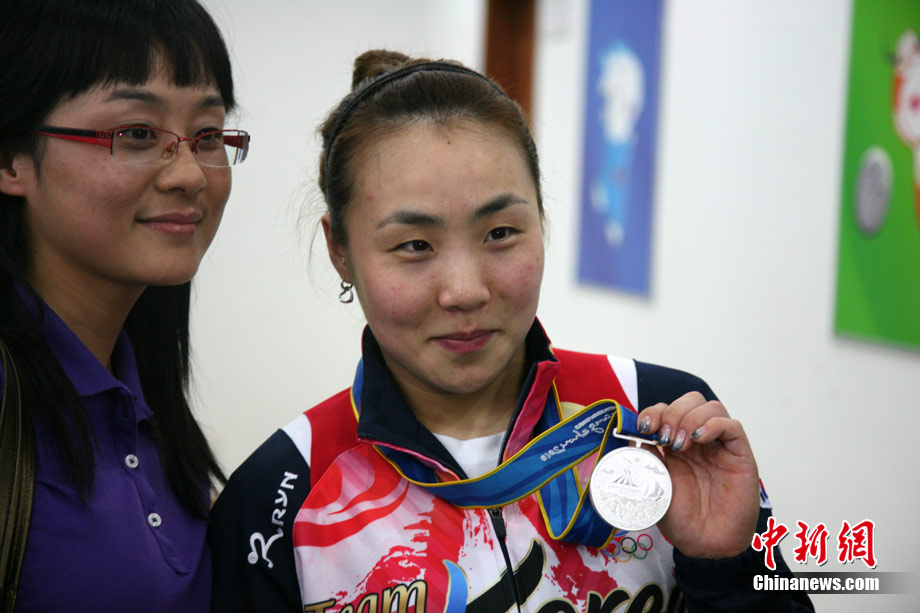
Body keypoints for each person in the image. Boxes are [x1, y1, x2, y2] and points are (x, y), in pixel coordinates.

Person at [208, 50, 811, 612]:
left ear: (540, 217)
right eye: (414, 245)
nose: (465, 290)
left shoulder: (660, 421)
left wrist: (724, 567)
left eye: (499, 233)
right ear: (340, 251)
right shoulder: (281, 497)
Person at [0, 1, 249, 611]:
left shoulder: (144, 399)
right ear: (10, 158)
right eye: (137, 134)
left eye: (208, 136)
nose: (190, 174)